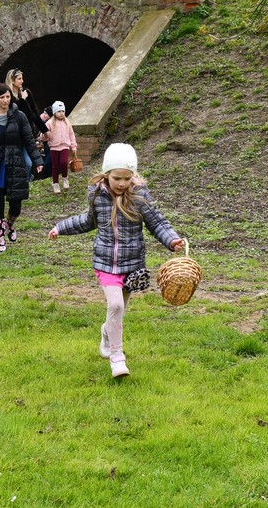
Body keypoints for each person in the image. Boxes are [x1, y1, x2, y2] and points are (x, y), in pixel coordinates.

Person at [48, 143, 183, 379]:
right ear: (106, 175)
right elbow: (87, 221)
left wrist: (171, 240)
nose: (122, 183)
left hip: (132, 265)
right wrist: (60, 227)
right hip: (106, 262)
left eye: (127, 178)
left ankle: (107, 331)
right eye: (117, 178)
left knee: (119, 312)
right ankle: (117, 357)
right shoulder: (97, 196)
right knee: (116, 306)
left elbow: (157, 223)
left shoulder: (139, 197)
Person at [0, 83, 43, 252]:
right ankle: (1, 240)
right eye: (1, 97)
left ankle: (10, 224)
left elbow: (28, 140)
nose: (5, 100)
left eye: (7, 97)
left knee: (16, 205)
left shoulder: (19, 116)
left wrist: (37, 161)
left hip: (15, 164)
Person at [45, 101, 78, 194]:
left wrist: (73, 146)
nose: (61, 113)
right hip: (54, 147)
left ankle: (65, 178)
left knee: (63, 162)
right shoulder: (49, 123)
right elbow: (43, 135)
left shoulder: (67, 122)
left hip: (65, 146)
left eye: (63, 111)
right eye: (59, 111)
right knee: (55, 166)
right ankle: (55, 184)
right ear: (54, 112)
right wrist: (45, 135)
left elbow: (71, 134)